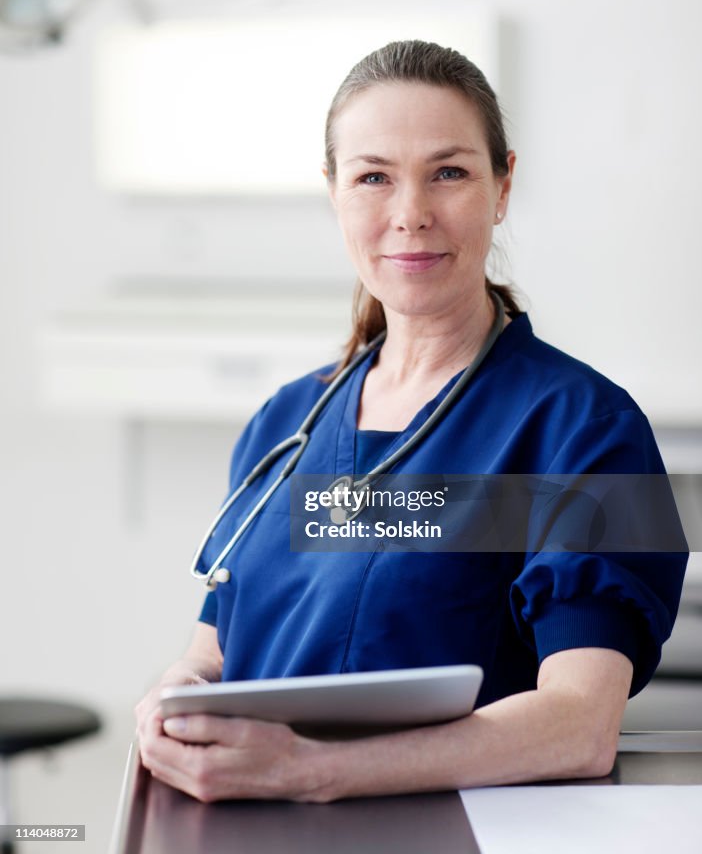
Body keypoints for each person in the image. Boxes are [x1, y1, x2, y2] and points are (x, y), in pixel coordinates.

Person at [136, 40, 687, 803]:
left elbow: (579, 725)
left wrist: (312, 773)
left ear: (502, 186)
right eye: (373, 178)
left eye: (449, 173)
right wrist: (173, 696)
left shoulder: (589, 430)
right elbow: (215, 652)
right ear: (335, 194)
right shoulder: (283, 424)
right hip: (246, 823)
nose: (410, 214)